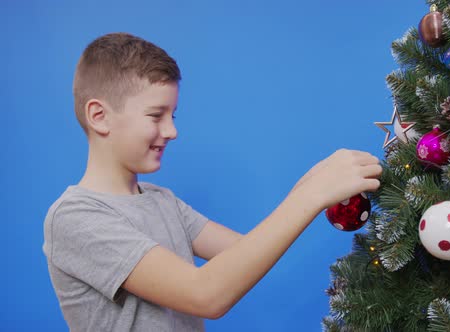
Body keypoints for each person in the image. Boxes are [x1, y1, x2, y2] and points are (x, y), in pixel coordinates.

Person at [42, 32, 382, 332]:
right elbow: (206, 294)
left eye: (172, 116)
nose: (172, 131)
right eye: (155, 115)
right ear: (99, 116)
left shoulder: (163, 201)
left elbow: (248, 253)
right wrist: (311, 195)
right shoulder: (75, 218)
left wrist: (312, 182)